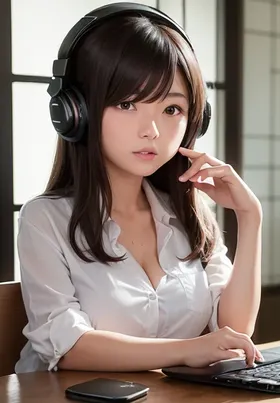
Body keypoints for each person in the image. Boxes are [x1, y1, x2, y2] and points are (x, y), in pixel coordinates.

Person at [14, 4, 263, 374]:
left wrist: (250, 217)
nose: (152, 131)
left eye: (171, 109)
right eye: (127, 103)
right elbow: (68, 347)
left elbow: (234, 332)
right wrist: (184, 350)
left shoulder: (189, 214)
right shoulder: (44, 219)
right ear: (75, 112)